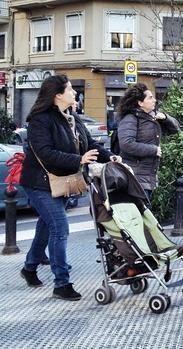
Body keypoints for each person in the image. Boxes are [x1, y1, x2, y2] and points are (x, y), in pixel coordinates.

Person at [19, 74, 121, 301]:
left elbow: (90, 144)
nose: (74, 93)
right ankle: (61, 283)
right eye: (70, 90)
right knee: (60, 228)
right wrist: (78, 160)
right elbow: (45, 152)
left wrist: (110, 156)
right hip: (39, 183)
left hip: (63, 181)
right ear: (57, 95)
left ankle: (29, 267)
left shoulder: (71, 116)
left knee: (47, 226)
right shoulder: (40, 120)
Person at [116, 83, 180, 201]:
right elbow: (126, 144)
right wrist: (153, 150)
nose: (154, 100)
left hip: (147, 177)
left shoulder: (153, 118)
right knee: (139, 214)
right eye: (150, 98)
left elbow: (175, 129)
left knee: (144, 213)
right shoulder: (130, 119)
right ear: (140, 103)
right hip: (135, 178)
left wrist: (165, 118)